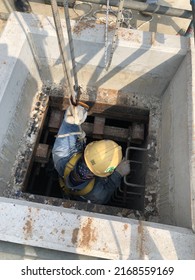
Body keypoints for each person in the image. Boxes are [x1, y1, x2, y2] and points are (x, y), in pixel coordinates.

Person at [52, 103, 131, 205]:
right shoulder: (98, 194)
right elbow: (108, 189)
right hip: (81, 197)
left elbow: (67, 130)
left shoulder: (62, 157)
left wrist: (72, 118)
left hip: (66, 186)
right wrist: (118, 174)